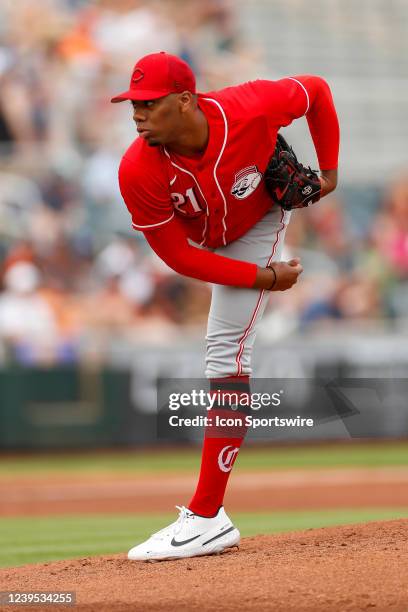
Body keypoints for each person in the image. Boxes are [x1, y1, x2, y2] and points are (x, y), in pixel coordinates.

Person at [111, 51, 339, 561]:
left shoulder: (251, 106)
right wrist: (264, 279)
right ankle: (209, 518)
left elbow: (317, 89)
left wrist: (330, 171)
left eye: (149, 103)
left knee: (225, 352)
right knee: (222, 348)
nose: (137, 114)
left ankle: (208, 517)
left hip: (255, 223)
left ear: (186, 100)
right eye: (133, 104)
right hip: (204, 242)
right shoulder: (137, 169)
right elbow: (176, 255)